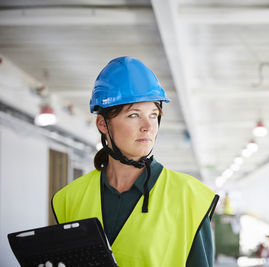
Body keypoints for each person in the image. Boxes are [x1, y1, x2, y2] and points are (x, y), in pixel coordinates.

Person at [51, 57, 219, 266]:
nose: (148, 126)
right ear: (103, 123)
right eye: (133, 115)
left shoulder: (191, 198)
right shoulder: (69, 199)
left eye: (153, 114)